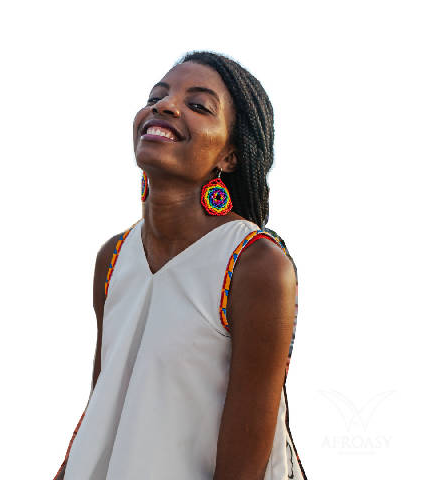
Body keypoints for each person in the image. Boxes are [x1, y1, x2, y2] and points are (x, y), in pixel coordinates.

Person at [53, 51, 307, 480]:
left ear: (230, 155)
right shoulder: (112, 259)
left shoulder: (255, 264)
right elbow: (103, 405)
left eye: (198, 105)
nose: (166, 106)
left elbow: (246, 465)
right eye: (157, 97)